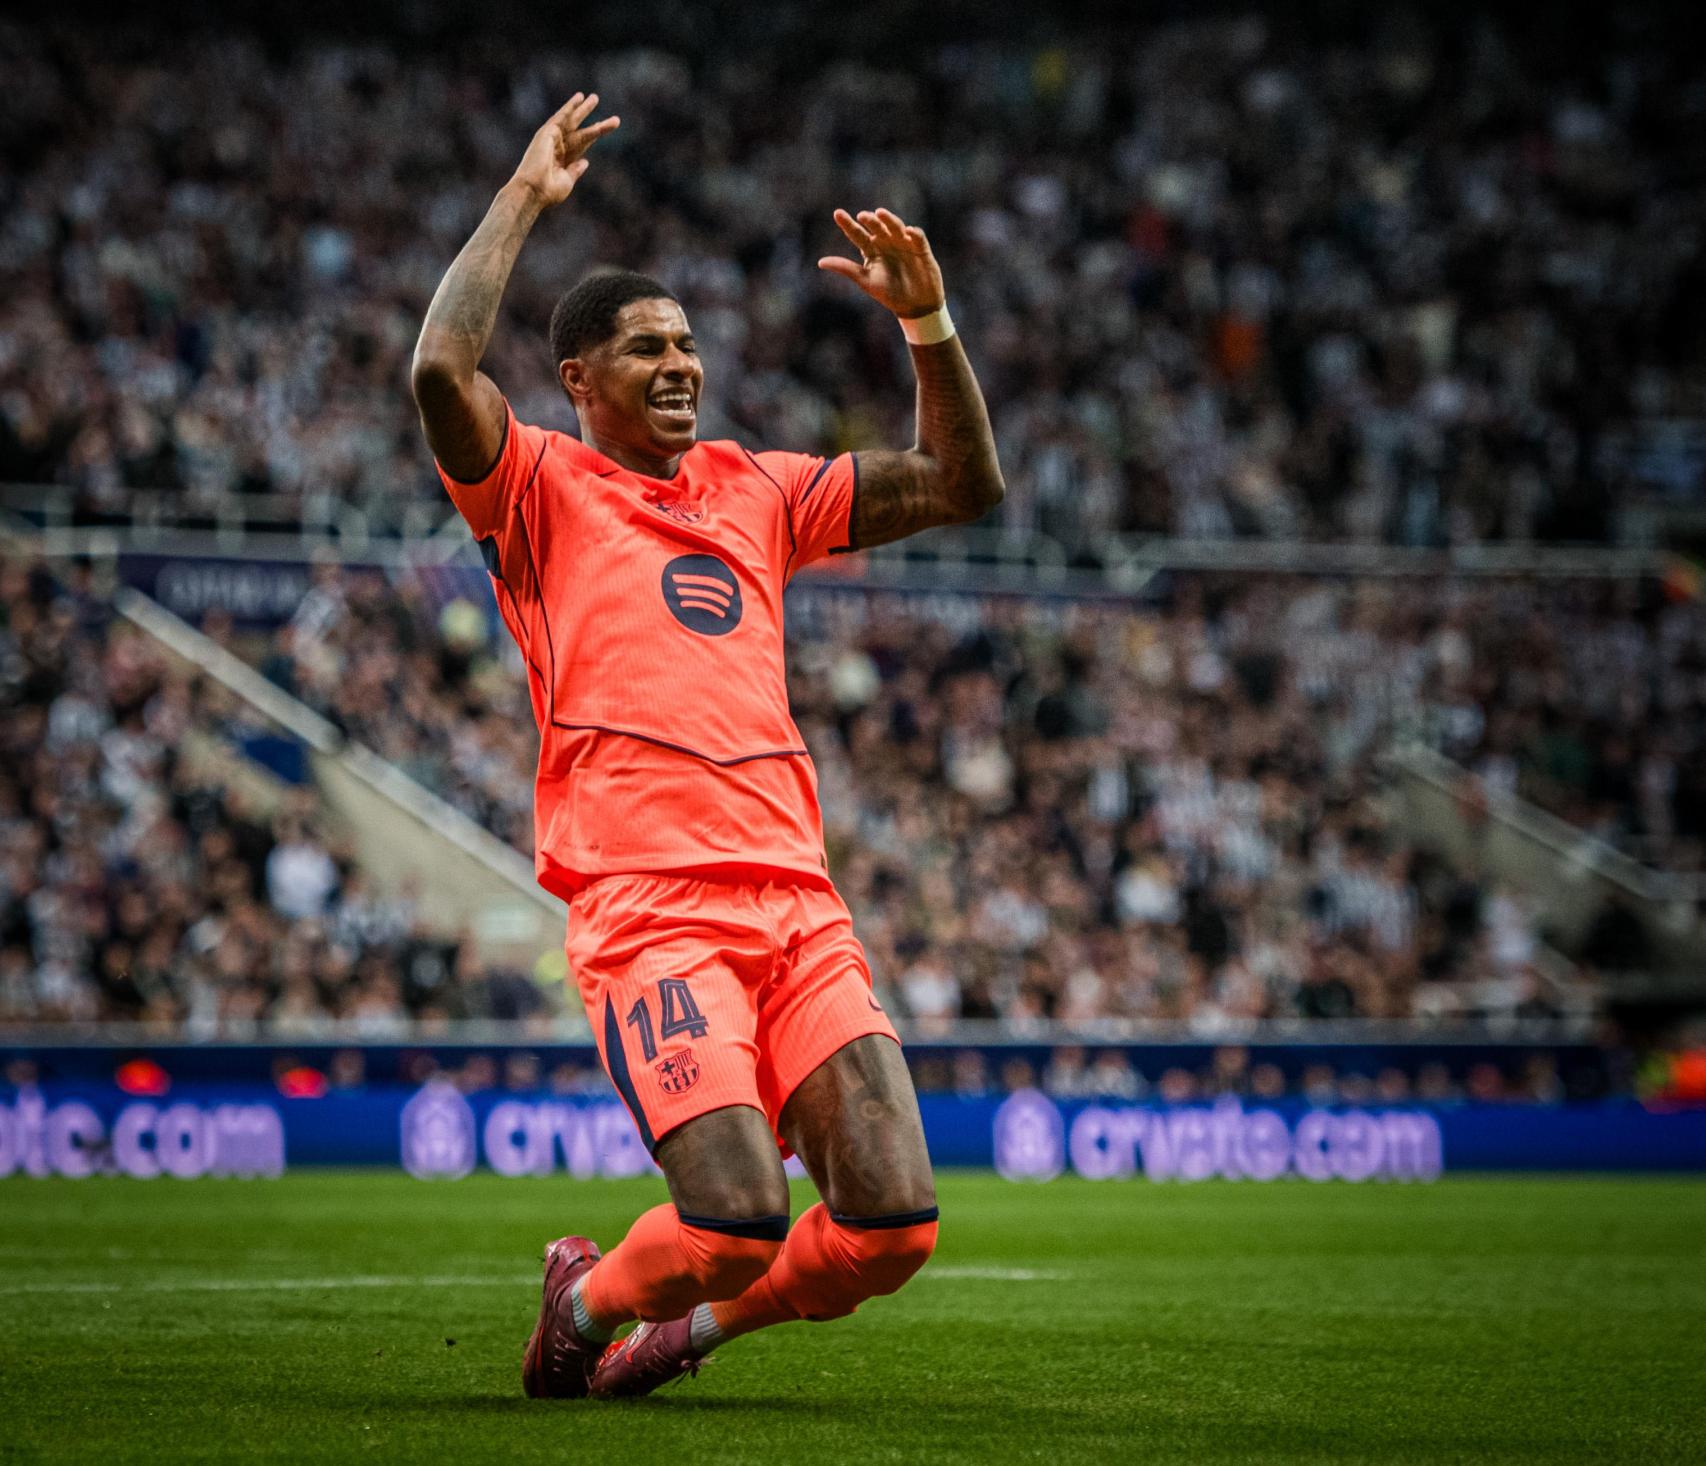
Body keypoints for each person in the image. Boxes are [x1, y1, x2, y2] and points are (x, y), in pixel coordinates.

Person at [410, 94, 1004, 1399]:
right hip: (651, 904)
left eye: (686, 346)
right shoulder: (539, 490)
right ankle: (587, 1294)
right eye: (644, 350)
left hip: (794, 898)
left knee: (894, 1223)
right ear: (578, 380)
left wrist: (927, 323)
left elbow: (964, 483)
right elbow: (438, 377)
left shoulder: (762, 487)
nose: (680, 366)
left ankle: (690, 1335)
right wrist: (522, 198)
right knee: (731, 1222)